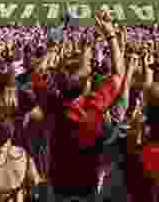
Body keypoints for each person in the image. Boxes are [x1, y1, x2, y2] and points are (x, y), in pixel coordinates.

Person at [34, 10, 125, 202]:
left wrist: (53, 48)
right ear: (86, 85)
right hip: (87, 187)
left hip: (59, 187)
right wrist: (111, 35)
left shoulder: (52, 104)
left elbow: (38, 74)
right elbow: (118, 74)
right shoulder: (94, 105)